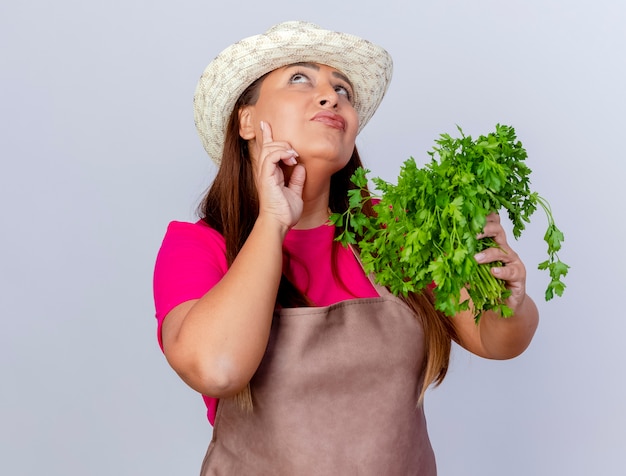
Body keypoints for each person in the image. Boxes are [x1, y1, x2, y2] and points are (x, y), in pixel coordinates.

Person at [153, 20, 539, 475]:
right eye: (300, 78)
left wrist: (508, 302)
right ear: (246, 120)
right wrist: (274, 220)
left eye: (344, 90)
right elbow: (217, 370)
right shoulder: (197, 245)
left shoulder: (395, 228)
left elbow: (496, 341)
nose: (330, 95)